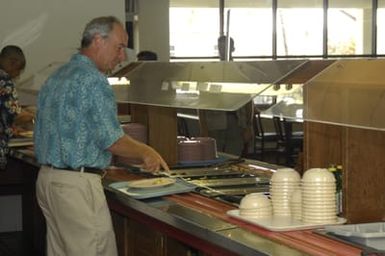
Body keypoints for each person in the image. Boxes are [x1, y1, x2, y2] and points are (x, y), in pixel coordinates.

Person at [34, 16, 169, 256]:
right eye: (119, 47)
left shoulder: (58, 75)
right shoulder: (93, 80)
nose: (122, 57)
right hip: (77, 187)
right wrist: (146, 151)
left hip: (48, 180)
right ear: (98, 40)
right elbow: (111, 139)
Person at [198, 36, 254, 157]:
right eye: (220, 48)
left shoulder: (241, 72)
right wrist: (203, 127)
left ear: (233, 48)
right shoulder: (210, 72)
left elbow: (248, 101)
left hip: (237, 121)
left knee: (234, 157)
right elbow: (202, 102)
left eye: (226, 47)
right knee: (214, 155)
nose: (223, 51)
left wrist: (249, 126)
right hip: (215, 122)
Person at [0, 45, 33, 170]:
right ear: (13, 63)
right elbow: (13, 115)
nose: (18, 75)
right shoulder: (4, 81)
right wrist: (33, 115)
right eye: (18, 70)